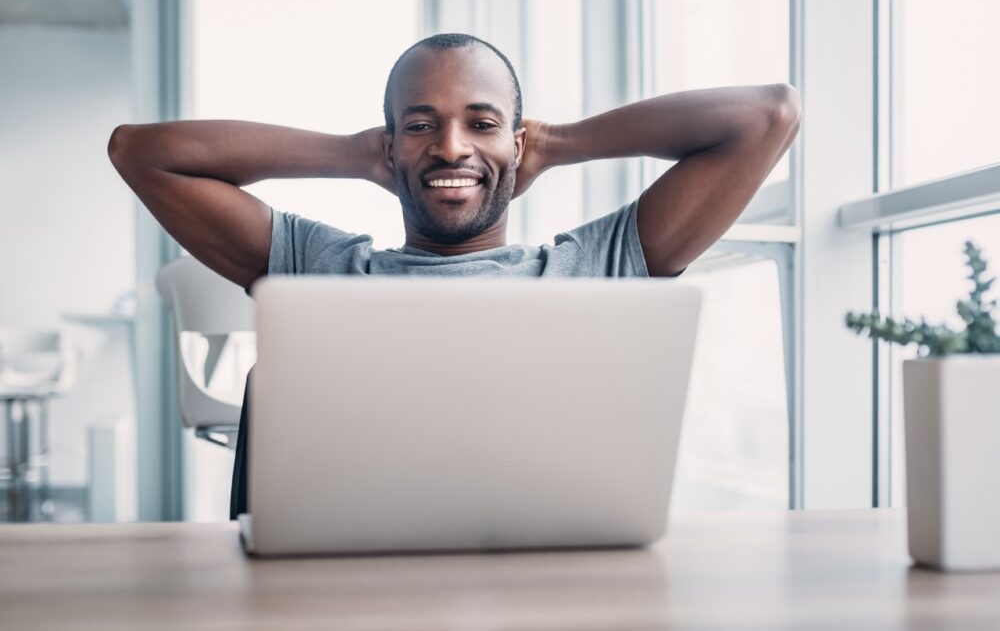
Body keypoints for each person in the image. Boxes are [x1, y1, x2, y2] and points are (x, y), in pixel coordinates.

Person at [108, 33, 801, 518]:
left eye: (482, 122)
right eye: (420, 126)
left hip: (547, 576)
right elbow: (142, 153)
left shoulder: (594, 267)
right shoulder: (323, 267)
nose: (450, 146)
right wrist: (358, 155)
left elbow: (768, 115)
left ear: (516, 141)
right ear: (389, 145)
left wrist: (558, 144)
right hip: (353, 580)